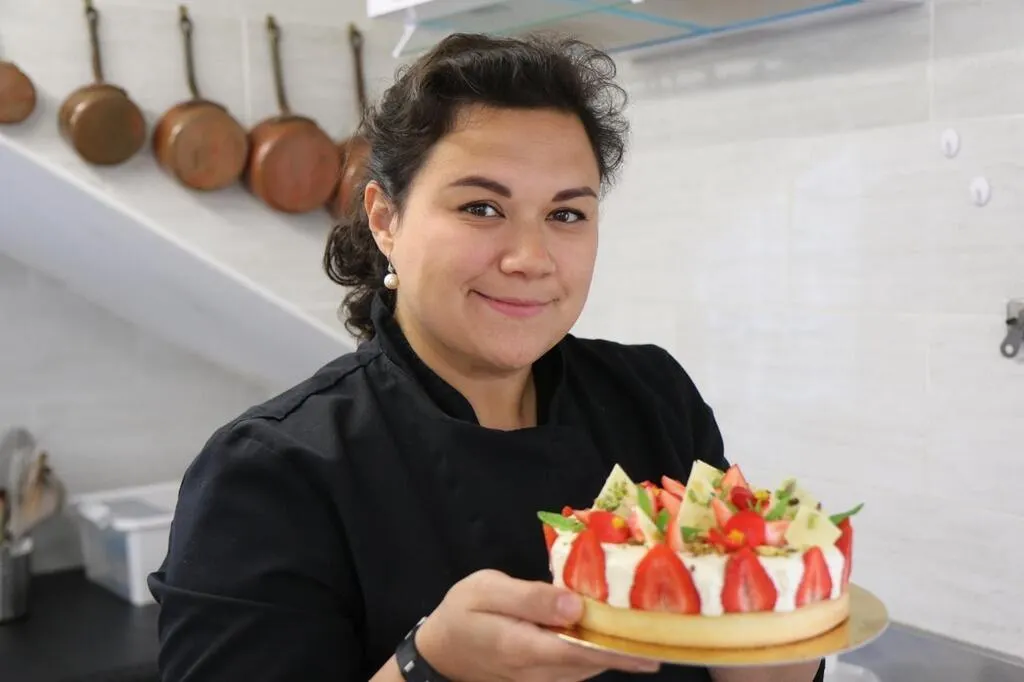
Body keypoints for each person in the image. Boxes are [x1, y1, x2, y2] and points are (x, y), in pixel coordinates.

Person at [148, 31, 826, 682]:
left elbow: (739, 653)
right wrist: (430, 666)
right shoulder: (271, 472)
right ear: (385, 220)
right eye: (481, 207)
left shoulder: (651, 396)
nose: (530, 259)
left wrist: (782, 635)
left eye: (566, 215)